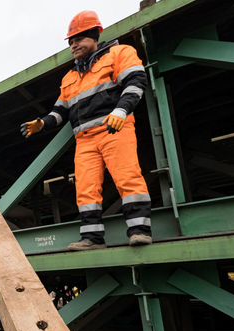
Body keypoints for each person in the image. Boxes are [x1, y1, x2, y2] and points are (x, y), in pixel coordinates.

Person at [21, 10, 152, 251]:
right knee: (86, 189)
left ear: (94, 36)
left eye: (78, 39)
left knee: (128, 178)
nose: (73, 45)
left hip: (114, 129)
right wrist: (42, 123)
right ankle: (92, 239)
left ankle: (140, 231)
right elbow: (60, 111)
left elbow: (135, 83)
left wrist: (121, 111)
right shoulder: (69, 77)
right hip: (85, 140)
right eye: (71, 41)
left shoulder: (118, 53)